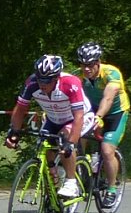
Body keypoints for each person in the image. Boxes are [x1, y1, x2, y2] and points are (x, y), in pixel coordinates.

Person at [5, 55, 96, 198]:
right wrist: (14, 132)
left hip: (80, 116)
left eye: (47, 80)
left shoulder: (70, 83)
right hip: (54, 119)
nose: (42, 84)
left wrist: (70, 143)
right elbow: (20, 109)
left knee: (65, 138)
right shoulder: (31, 83)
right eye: (40, 79)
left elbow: (78, 116)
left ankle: (71, 183)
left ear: (56, 78)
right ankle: (52, 182)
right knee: (43, 143)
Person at [75, 42, 130, 207]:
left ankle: (112, 188)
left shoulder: (111, 73)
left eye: (90, 65)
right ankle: (82, 173)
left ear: (98, 62)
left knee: (107, 151)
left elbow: (108, 98)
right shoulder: (78, 76)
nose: (86, 69)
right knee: (76, 142)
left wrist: (99, 116)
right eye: (83, 64)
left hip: (115, 113)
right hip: (91, 112)